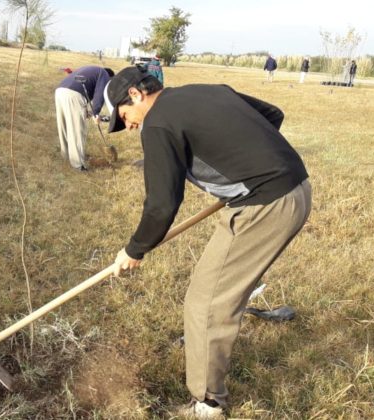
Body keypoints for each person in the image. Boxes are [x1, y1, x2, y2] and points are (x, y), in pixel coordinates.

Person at [104, 66, 311, 418]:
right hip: (297, 187)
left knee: (206, 303)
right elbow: (273, 114)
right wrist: (247, 161)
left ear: (136, 95)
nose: (129, 126)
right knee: (218, 290)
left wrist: (135, 249)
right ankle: (207, 355)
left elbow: (162, 203)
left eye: (124, 117)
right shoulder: (206, 90)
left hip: (267, 204)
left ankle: (208, 402)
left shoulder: (157, 124)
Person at [55, 66, 114, 171]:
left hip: (60, 91)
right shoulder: (104, 74)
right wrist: (96, 113)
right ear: (110, 78)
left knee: (63, 125)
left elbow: (87, 91)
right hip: (73, 95)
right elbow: (99, 95)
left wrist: (87, 111)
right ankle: (78, 165)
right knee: (77, 130)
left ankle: (66, 155)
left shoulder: (93, 70)